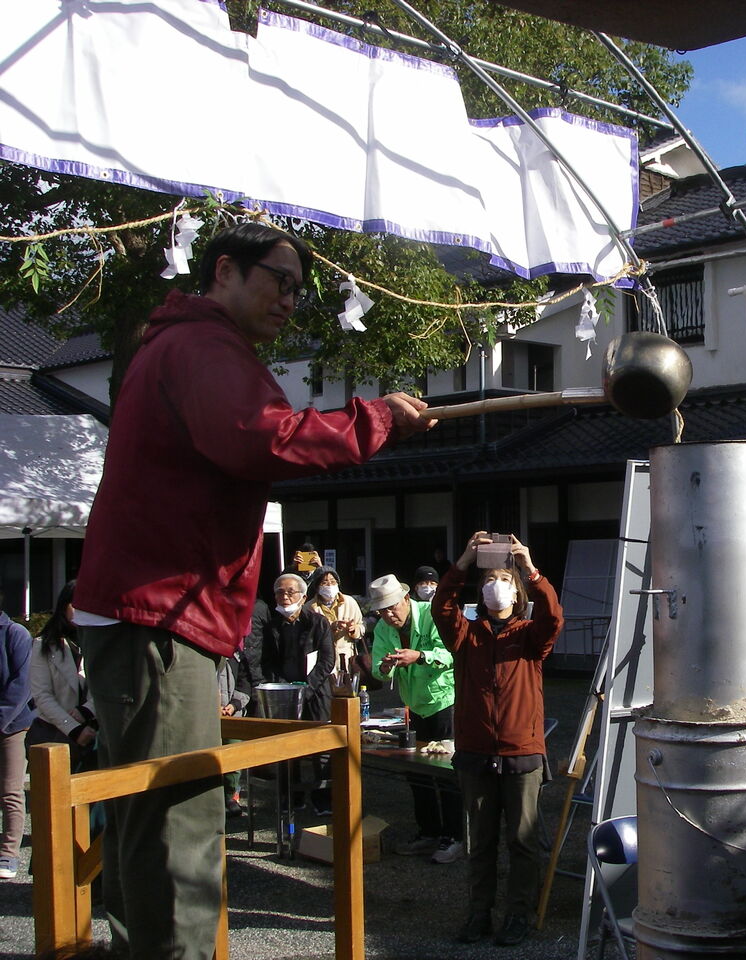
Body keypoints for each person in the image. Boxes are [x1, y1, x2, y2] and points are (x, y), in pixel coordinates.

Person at [72, 221, 435, 959]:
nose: (291, 300)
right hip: (157, 614)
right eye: (280, 280)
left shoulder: (181, 344)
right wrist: (376, 421)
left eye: (300, 289)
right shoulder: (203, 346)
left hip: (145, 612)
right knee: (180, 821)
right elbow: (263, 436)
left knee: (147, 816)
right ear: (224, 270)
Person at [433, 532, 563, 948]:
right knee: (481, 841)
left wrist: (530, 570)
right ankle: (479, 913)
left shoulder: (529, 636)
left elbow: (553, 617)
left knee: (522, 841)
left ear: (517, 591)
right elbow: (442, 607)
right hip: (475, 751)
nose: (496, 584)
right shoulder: (466, 635)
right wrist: (464, 562)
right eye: (490, 578)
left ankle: (519, 914)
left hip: (521, 751)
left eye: (505, 579)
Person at [366, 574, 462, 862]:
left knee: (446, 771)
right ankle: (428, 832)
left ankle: (454, 836)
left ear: (406, 599)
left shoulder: (432, 615)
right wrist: (384, 668)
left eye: (392, 607)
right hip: (413, 705)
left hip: (444, 702)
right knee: (417, 773)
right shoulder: (383, 628)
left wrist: (420, 655)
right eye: (382, 611)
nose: (389, 615)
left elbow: (453, 653)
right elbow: (377, 669)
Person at [254, 572, 336, 813]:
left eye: (290, 592)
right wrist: (285, 687)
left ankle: (323, 799)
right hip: (285, 694)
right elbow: (267, 661)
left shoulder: (317, 622)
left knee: (321, 747)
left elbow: (327, 660)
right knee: (289, 747)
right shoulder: (271, 625)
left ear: (303, 596)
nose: (285, 597)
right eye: (279, 592)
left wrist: (307, 688)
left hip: (316, 692)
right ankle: (292, 798)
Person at [27, 581, 98, 774]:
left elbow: (109, 685)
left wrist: (87, 711)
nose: (81, 611)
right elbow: (42, 696)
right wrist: (74, 729)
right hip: (55, 734)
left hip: (95, 733)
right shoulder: (43, 645)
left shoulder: (99, 641)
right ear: (63, 606)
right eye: (75, 605)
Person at [0, 592, 34, 881]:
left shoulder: (16, 634)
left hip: (12, 726)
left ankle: (9, 853)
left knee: (11, 791)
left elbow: (22, 685)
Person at [308, 566, 376, 691]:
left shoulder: (349, 602)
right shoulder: (309, 608)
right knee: (326, 694)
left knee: (349, 695)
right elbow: (308, 637)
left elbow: (361, 626)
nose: (330, 585)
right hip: (322, 661)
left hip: (347, 659)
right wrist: (329, 629)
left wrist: (354, 629)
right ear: (317, 586)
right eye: (325, 582)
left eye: (333, 581)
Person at [217, 647, 251, 818]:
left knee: (233, 761)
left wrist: (234, 704)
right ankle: (215, 801)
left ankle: (231, 796)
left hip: (233, 714)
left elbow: (245, 683)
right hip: (208, 714)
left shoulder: (238, 655)